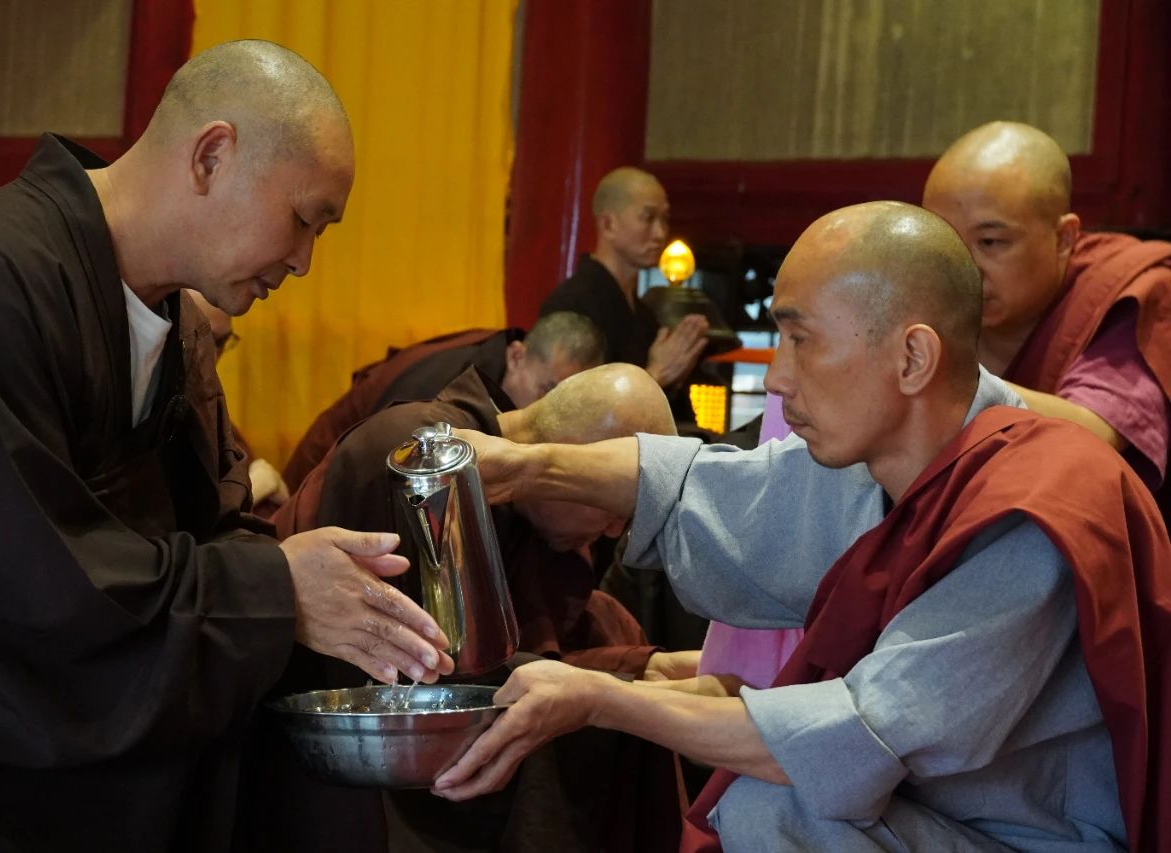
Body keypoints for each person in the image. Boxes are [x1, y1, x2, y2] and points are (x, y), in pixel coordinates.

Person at [430, 202, 1171, 851]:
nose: (778, 380)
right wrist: (526, 464)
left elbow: (847, 738)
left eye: (801, 340)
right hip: (928, 818)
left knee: (771, 806)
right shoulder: (894, 453)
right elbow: (719, 488)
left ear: (913, 355)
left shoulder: (1030, 511)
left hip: (1022, 838)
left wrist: (601, 699)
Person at [0, 40, 453, 852]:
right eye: (303, 221)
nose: (301, 262)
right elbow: (14, 598)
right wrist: (275, 592)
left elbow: (214, 528)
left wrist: (311, 588)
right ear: (212, 154)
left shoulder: (181, 328)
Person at [255, 363, 684, 852]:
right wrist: (628, 677)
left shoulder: (538, 510)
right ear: (568, 458)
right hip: (363, 774)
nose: (613, 531)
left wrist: (634, 669)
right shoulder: (420, 464)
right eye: (612, 503)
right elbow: (420, 678)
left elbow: (544, 638)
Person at [923, 121, 1171, 502]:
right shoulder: (924, 282)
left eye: (990, 242)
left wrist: (940, 380)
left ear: (1063, 239)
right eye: (945, 241)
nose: (962, 269)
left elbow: (1092, 434)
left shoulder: (1125, 292)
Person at [280, 310, 605, 492]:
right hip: (325, 472)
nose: (551, 410)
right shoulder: (441, 393)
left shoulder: (500, 362)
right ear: (518, 355)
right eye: (547, 391)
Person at [539, 167, 709, 403]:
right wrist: (656, 374)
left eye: (664, 219)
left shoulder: (645, 315)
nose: (660, 233)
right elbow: (568, 409)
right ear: (608, 224)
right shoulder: (572, 304)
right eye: (648, 218)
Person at [186, 288, 291, 512]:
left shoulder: (208, 405)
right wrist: (256, 486)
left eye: (221, 341)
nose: (212, 356)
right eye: (200, 336)